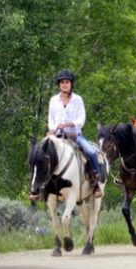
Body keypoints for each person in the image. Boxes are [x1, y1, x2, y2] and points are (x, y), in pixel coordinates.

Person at [47, 69, 102, 198]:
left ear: (71, 84)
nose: (64, 84)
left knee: (91, 152)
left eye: (66, 82)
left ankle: (95, 183)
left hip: (74, 136)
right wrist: (52, 130)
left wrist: (67, 124)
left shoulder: (78, 100)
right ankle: (39, 186)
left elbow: (81, 120)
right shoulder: (54, 100)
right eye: (62, 82)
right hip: (58, 136)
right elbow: (51, 119)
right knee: (41, 153)